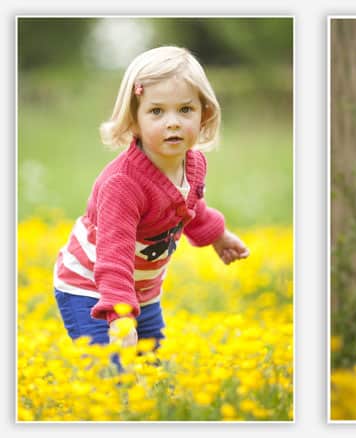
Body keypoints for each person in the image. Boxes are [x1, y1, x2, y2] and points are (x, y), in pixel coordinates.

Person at [53, 46, 250, 357]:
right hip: (91, 289)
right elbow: (114, 256)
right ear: (134, 120)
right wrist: (120, 317)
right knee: (112, 369)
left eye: (185, 109)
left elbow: (190, 208)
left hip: (142, 291)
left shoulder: (193, 163)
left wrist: (218, 235)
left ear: (204, 114)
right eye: (157, 111)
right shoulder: (123, 184)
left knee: (149, 367)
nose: (173, 122)